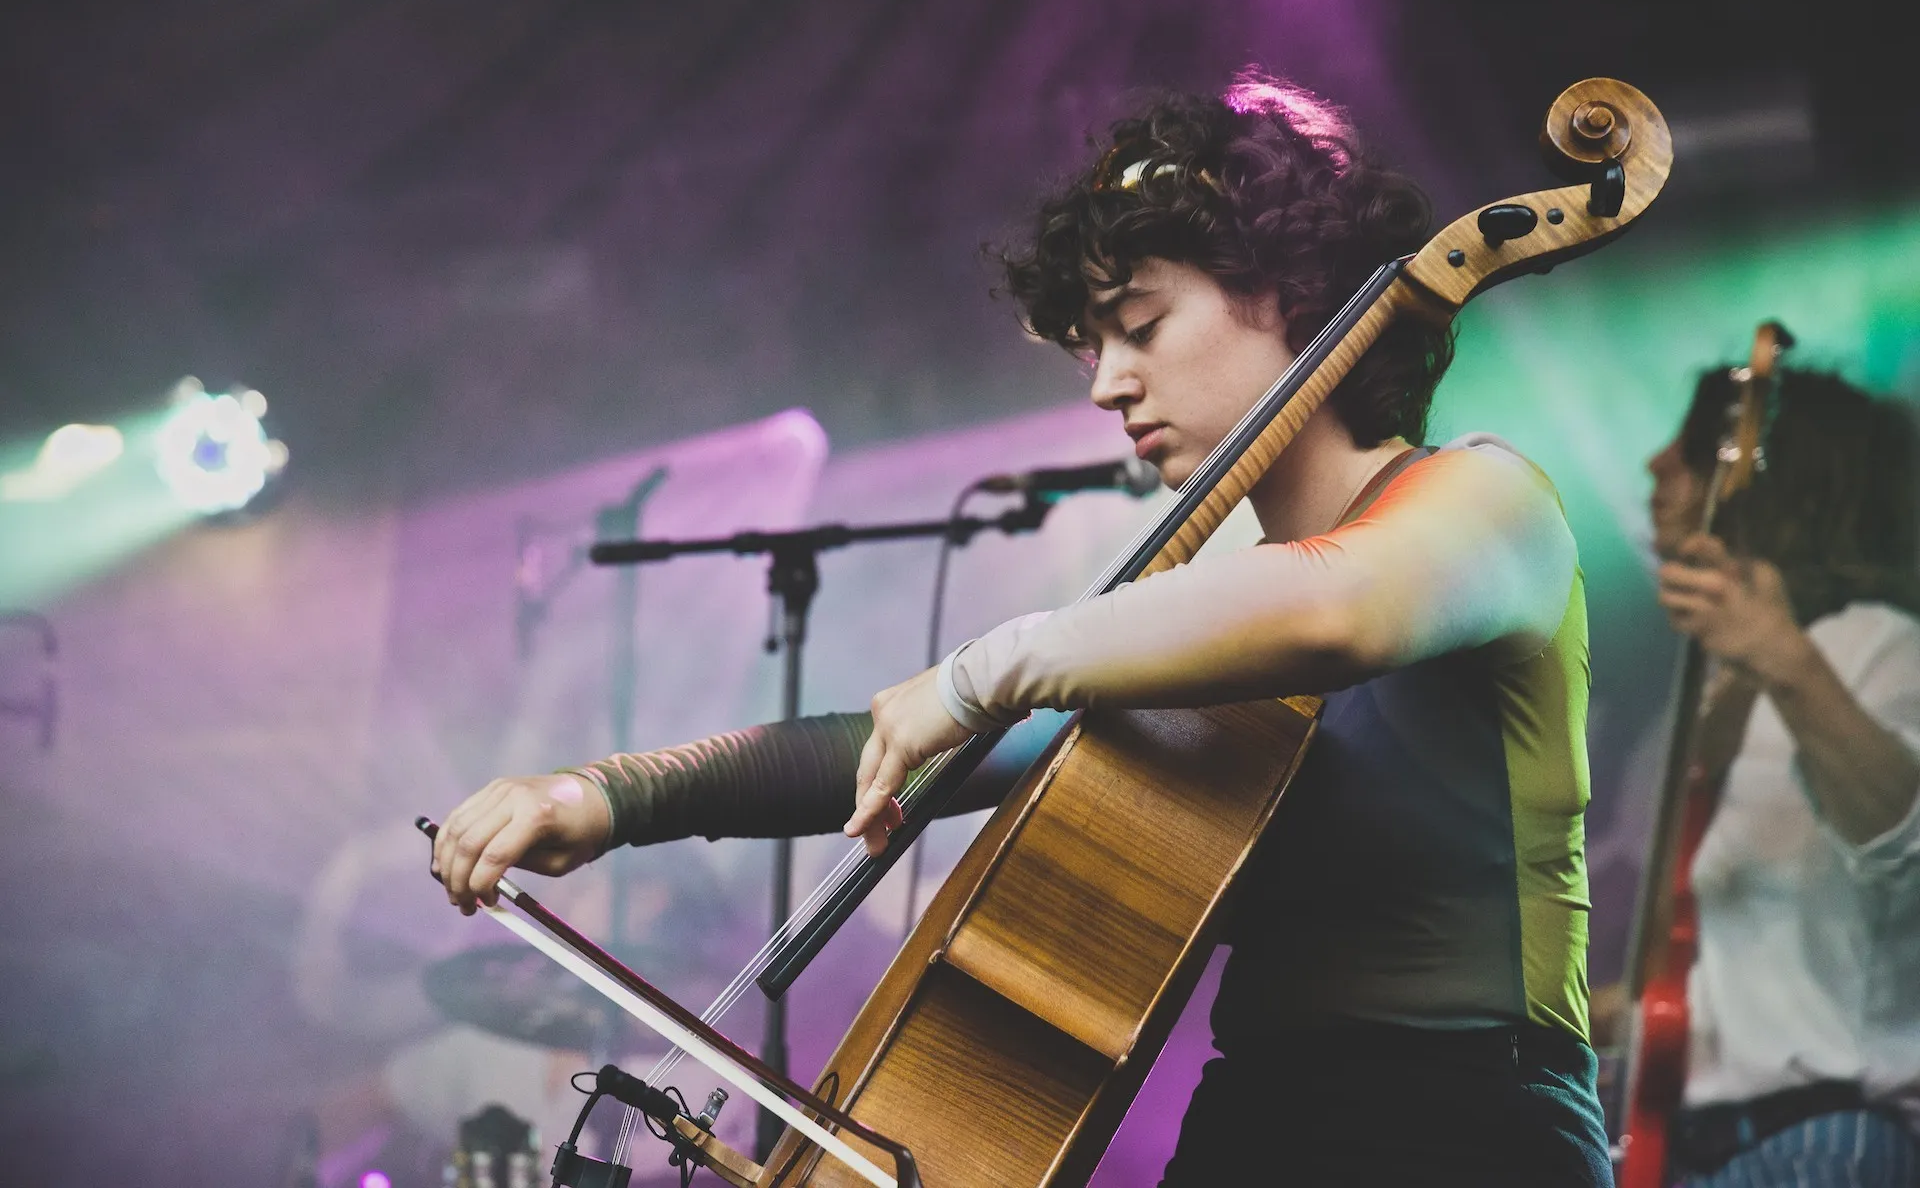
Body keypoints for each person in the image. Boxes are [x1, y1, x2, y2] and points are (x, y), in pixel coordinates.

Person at [433, 70, 1613, 1185]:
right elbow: (910, 749)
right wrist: (603, 796)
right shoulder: (1195, 619)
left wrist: (989, 667)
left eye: (1139, 325)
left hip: (1474, 1120)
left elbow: (1336, 605)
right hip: (1264, 1114)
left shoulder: (1483, 501)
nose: (1105, 384)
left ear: (1295, 293)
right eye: (1093, 349)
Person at [1636, 365, 1920, 1186]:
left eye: (1689, 449)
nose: (1656, 464)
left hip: (1827, 1133)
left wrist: (1786, 661)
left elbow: (1903, 828)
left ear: (1762, 481)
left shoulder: (1879, 643)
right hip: (1700, 1140)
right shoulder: (1705, 696)